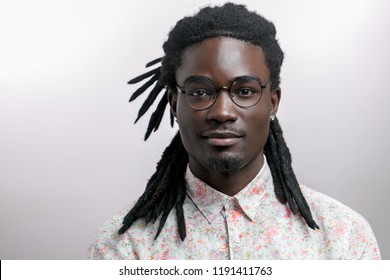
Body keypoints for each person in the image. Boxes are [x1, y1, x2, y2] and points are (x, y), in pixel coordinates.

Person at [87, 3, 381, 260]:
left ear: (273, 102)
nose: (222, 112)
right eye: (200, 92)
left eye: (244, 90)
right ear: (175, 104)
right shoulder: (123, 248)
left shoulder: (344, 238)